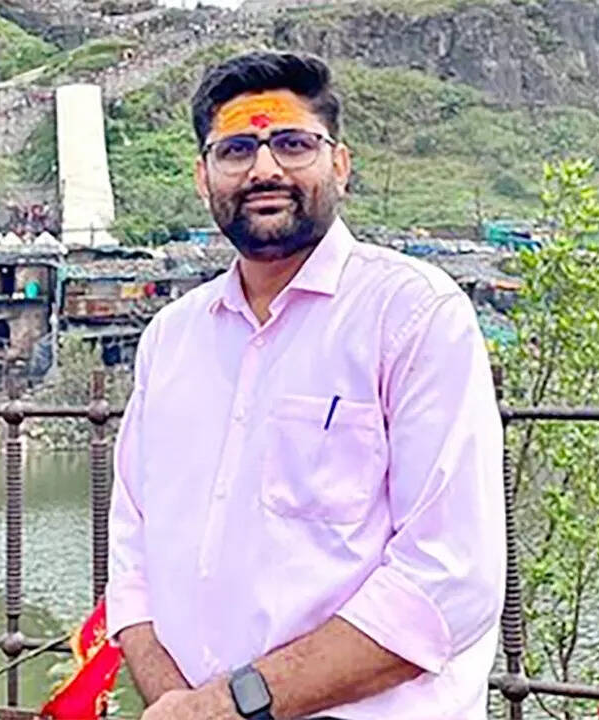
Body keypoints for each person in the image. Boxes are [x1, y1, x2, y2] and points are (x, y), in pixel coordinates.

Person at [105, 52, 505, 720]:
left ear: (339, 165)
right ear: (203, 177)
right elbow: (132, 562)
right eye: (236, 149)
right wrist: (180, 706)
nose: (264, 169)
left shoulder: (411, 316)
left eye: (293, 144)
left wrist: (231, 707)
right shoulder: (171, 339)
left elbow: (448, 582)